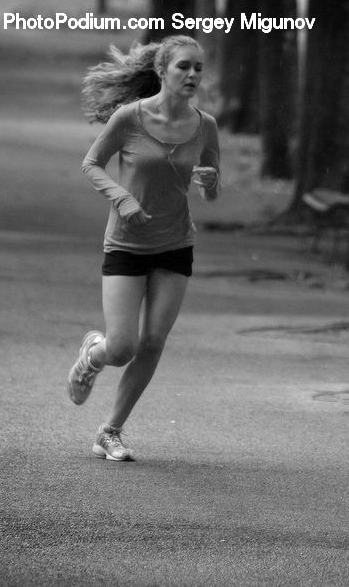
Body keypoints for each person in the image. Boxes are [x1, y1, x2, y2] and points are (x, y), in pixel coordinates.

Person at [66, 35, 221, 461]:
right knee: (122, 347)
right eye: (183, 67)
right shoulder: (129, 117)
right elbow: (91, 163)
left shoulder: (205, 125)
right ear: (162, 71)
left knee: (152, 342)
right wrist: (123, 198)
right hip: (126, 243)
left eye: (198, 68)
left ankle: (110, 431)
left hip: (175, 243)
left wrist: (210, 184)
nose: (192, 75)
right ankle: (92, 356)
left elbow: (211, 186)